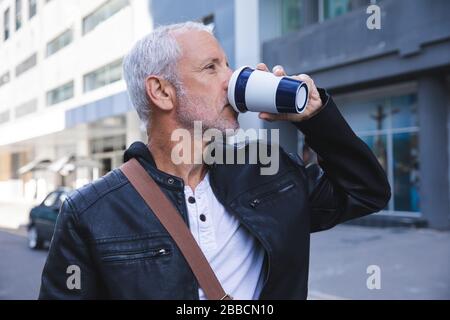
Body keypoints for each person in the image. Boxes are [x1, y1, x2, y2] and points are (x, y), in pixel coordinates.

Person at [39, 22, 390, 300]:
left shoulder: (268, 172)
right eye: (211, 68)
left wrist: (315, 117)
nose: (231, 80)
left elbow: (366, 191)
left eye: (228, 65)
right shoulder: (91, 213)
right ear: (161, 91)